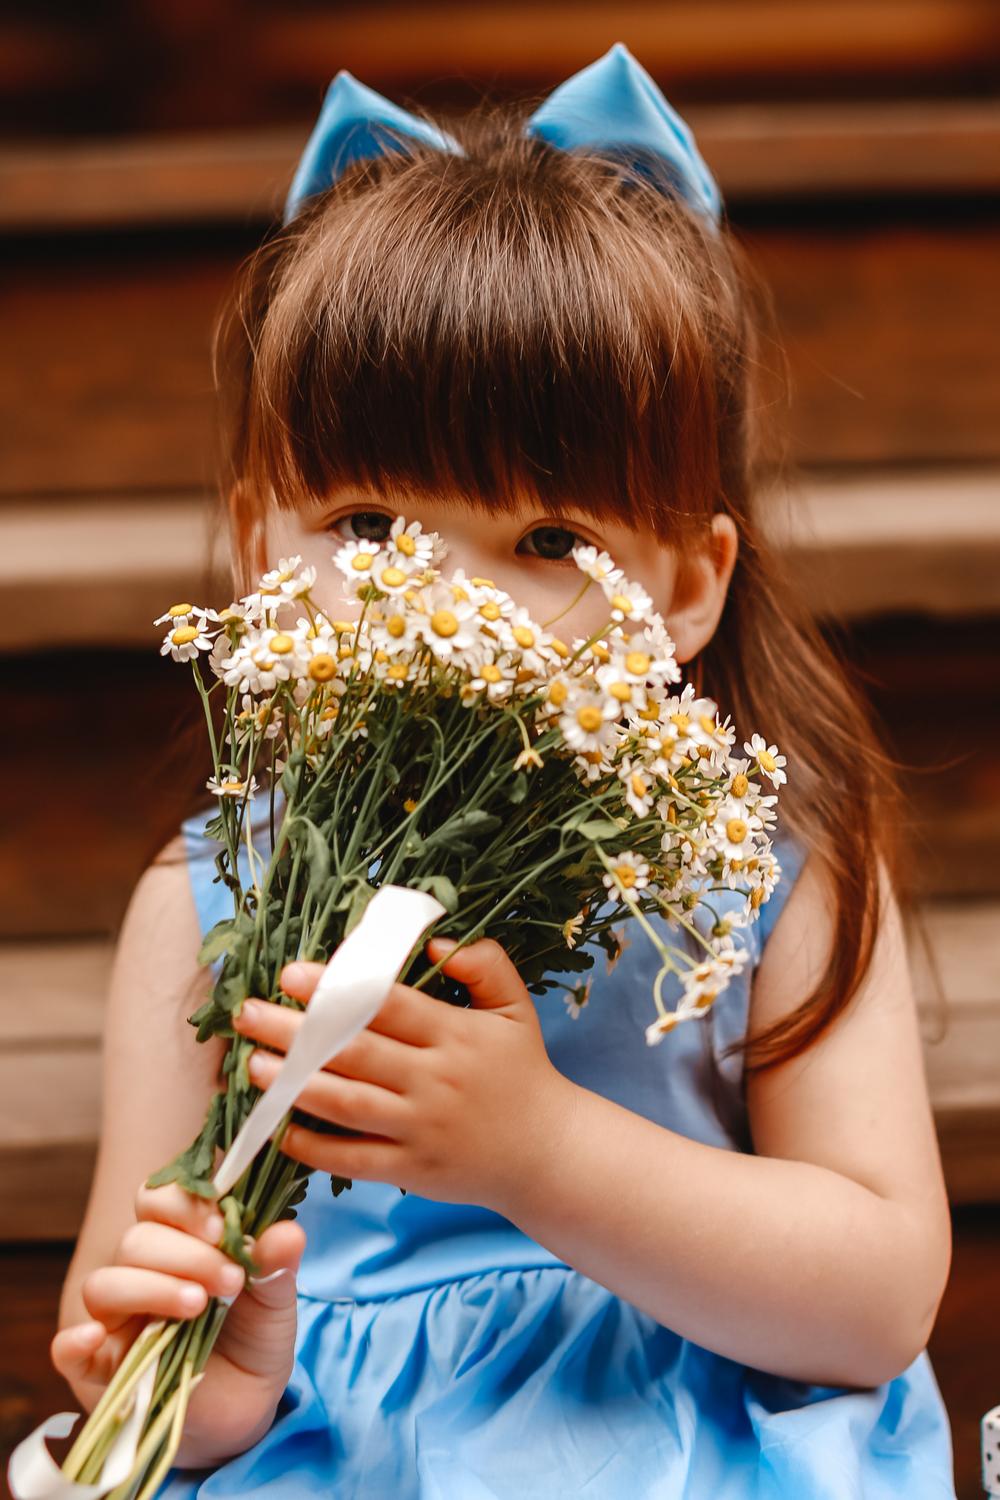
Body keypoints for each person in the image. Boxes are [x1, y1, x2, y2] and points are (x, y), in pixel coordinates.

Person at [51, 43, 957, 1497]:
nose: (443, 601)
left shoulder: (773, 873)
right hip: (331, 1444)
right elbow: (136, 1308)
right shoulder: (211, 893)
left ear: (687, 586)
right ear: (256, 550)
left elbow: (878, 1303)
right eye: (364, 526)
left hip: (670, 1433)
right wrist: (189, 1379)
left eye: (545, 543)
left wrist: (540, 1151)